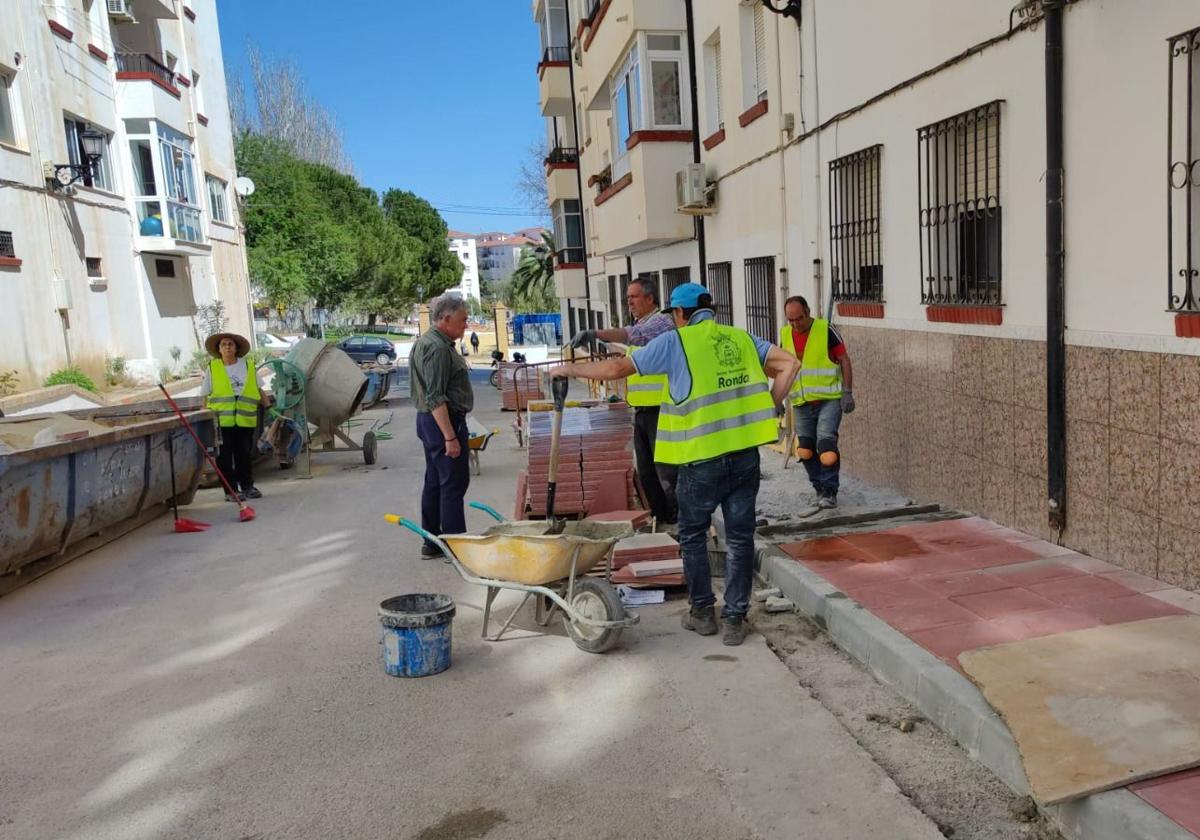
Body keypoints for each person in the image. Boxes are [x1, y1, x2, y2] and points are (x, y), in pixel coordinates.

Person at [550, 283, 799, 646]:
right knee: (741, 539)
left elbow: (620, 367)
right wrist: (769, 406)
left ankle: (702, 613)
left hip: (701, 461)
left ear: (680, 314)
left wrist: (569, 371)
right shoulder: (740, 339)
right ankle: (733, 620)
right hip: (745, 457)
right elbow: (790, 363)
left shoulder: (675, 342)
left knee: (694, 534)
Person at [568, 277, 678, 524]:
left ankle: (678, 517)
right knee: (647, 471)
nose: (629, 302)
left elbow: (634, 335)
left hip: (661, 410)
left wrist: (595, 332)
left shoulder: (661, 323)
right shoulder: (642, 327)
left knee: (666, 470)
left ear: (650, 299)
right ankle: (661, 517)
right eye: (627, 297)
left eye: (634, 296)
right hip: (642, 411)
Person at [410, 295, 474, 559]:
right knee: (453, 483)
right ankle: (455, 546)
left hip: (430, 421)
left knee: (435, 480)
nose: (466, 325)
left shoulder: (428, 342)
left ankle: (432, 541)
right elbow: (436, 396)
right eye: (462, 320)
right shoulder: (436, 349)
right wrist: (450, 437)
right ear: (446, 319)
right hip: (442, 421)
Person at [780, 295, 855, 509]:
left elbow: (844, 359)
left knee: (826, 446)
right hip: (801, 402)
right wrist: (777, 397)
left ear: (808, 312)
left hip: (828, 400)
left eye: (799, 319)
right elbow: (782, 367)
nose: (795, 324)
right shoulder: (785, 335)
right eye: (790, 320)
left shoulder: (825, 330)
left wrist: (847, 392)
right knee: (805, 449)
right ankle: (819, 487)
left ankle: (830, 491)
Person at [200, 332, 271, 501]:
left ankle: (247, 487)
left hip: (245, 420)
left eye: (230, 344)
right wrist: (204, 415)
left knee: (244, 454)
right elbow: (205, 394)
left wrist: (268, 406)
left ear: (236, 348)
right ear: (219, 349)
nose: (227, 347)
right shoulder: (213, 368)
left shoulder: (247, 366)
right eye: (223, 344)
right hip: (222, 421)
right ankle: (231, 491)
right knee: (224, 457)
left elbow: (259, 388)